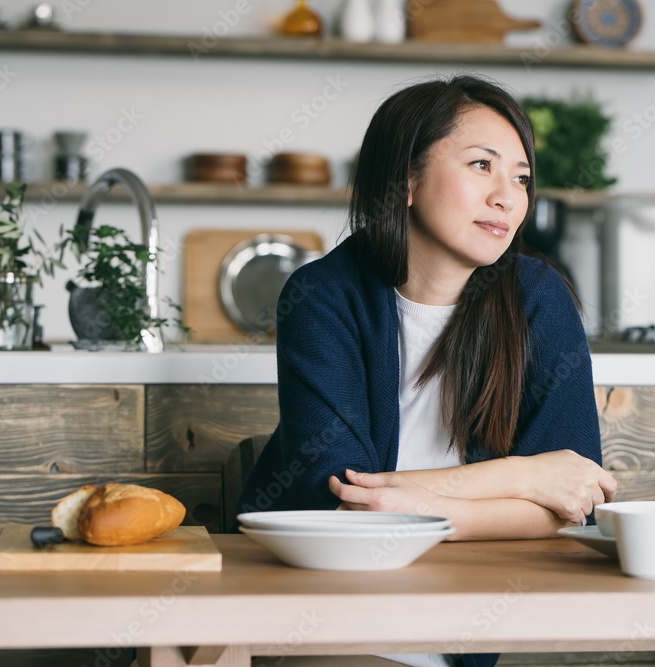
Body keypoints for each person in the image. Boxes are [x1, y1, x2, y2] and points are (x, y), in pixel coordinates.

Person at [236, 75, 617, 667]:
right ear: (406, 180)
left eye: (520, 177)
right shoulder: (320, 297)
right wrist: (523, 476)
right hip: (324, 609)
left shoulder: (538, 299)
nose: (508, 197)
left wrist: (434, 507)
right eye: (481, 166)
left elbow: (575, 500)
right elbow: (342, 503)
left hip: (467, 613)